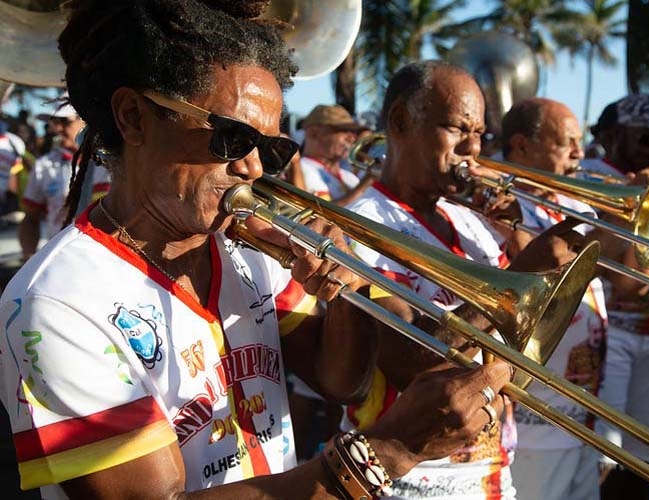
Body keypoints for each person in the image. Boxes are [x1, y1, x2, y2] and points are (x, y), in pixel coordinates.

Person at [0, 2, 513, 498]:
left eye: (270, 149)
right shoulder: (57, 304)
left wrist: (345, 289)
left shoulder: (250, 250)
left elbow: (341, 382)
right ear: (134, 117)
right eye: (231, 137)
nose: (252, 169)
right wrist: (391, 450)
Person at [343, 61, 591, 499]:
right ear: (400, 122)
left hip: (493, 468)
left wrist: (518, 237)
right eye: (458, 129)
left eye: (480, 134)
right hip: (411, 479)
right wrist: (520, 272)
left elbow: (522, 336)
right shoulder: (360, 225)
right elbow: (409, 361)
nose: (473, 149)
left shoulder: (471, 220)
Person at [500, 98, 608, 500]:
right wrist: (514, 228)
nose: (581, 154)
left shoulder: (577, 205)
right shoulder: (499, 205)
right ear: (522, 146)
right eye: (567, 143)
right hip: (535, 420)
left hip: (581, 405)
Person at [589, 93, 649, 499]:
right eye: (648, 139)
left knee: (646, 451)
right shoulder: (590, 173)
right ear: (614, 135)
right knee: (601, 454)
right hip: (609, 333)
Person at [17, 98, 110, 259]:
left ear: (86, 120)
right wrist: (28, 258)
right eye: (54, 122)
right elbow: (30, 218)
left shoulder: (112, 161)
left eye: (64, 121)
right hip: (60, 260)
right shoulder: (44, 165)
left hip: (104, 258)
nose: (57, 128)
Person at [297, 104, 375, 206]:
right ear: (313, 133)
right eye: (343, 130)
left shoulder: (349, 177)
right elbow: (318, 216)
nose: (352, 138)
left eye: (353, 132)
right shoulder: (302, 168)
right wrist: (367, 181)